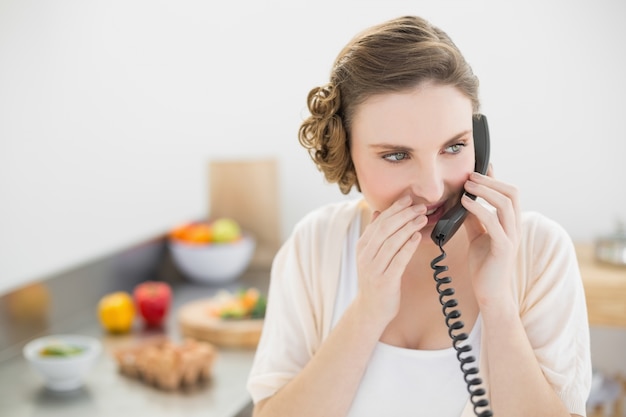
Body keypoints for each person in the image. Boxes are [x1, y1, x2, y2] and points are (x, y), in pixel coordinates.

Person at [246, 15, 591, 417]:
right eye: (396, 155)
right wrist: (368, 311)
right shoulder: (315, 246)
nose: (431, 188)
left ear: (479, 141)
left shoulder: (540, 251)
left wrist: (497, 303)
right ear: (348, 154)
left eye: (454, 147)